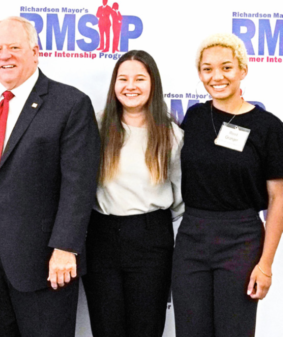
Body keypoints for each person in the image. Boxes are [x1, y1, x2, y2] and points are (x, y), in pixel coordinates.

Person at [0, 16, 100, 336]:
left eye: (14, 47)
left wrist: (65, 247)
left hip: (44, 258)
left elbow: (79, 184)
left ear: (35, 52)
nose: (4, 56)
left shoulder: (70, 103)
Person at [172, 32, 283, 337]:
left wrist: (266, 264)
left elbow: (278, 198)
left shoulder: (268, 127)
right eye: (207, 69)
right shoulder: (194, 117)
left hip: (241, 241)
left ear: (242, 70)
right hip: (192, 237)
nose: (216, 76)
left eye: (226, 67)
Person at [85, 50, 183, 337]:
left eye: (140, 78)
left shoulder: (171, 136)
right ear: (114, 84)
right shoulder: (96, 126)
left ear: (153, 84)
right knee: (106, 328)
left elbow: (180, 196)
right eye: (123, 78)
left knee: (147, 328)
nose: (131, 86)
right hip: (101, 236)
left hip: (151, 238)